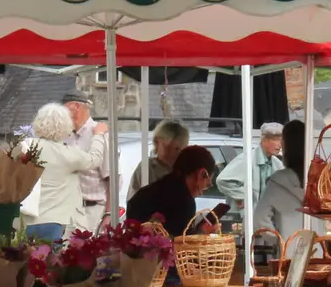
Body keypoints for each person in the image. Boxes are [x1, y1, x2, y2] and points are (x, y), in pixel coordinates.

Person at [22, 102, 110, 238]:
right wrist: (98, 135)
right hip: (54, 220)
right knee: (51, 258)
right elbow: (95, 159)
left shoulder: (25, 146)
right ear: (66, 126)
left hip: (25, 218)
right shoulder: (67, 155)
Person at [127, 144, 218, 238]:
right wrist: (202, 232)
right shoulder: (184, 201)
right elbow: (180, 244)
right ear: (201, 174)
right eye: (207, 184)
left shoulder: (152, 190)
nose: (202, 191)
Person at [63, 93, 109, 232]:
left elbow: (112, 177)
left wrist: (108, 214)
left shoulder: (100, 134)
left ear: (76, 107)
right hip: (68, 209)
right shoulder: (65, 134)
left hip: (93, 210)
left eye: (63, 110)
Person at [215, 121, 285, 211]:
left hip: (265, 219)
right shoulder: (247, 159)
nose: (280, 145)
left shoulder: (277, 164)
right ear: (264, 140)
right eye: (276, 140)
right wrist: (244, 196)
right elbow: (222, 181)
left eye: (282, 140)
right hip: (245, 220)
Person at [256, 120, 309, 237]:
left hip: (289, 248)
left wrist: (278, 242)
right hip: (318, 246)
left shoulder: (276, 182)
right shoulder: (319, 179)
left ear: (285, 146)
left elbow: (260, 219)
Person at [134, 121, 191, 188]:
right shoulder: (146, 168)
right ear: (157, 142)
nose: (173, 154)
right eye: (168, 147)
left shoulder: (185, 171)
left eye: (177, 149)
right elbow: (134, 196)